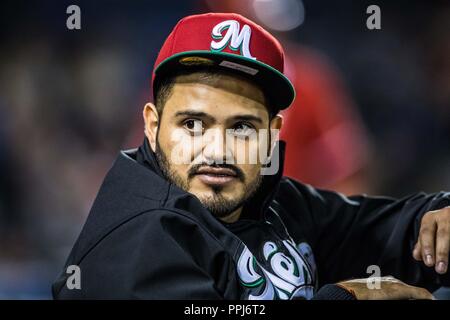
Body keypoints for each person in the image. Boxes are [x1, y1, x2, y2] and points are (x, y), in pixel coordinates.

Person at [53, 13, 450, 300]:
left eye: (242, 127)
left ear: (271, 135)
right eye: (193, 124)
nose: (218, 149)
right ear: (152, 126)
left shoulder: (269, 201)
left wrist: (438, 216)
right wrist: (344, 298)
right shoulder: (136, 242)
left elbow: (383, 232)